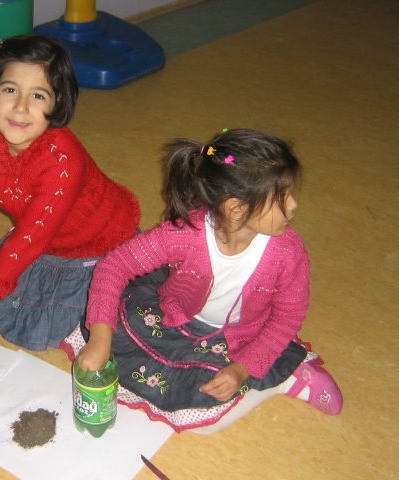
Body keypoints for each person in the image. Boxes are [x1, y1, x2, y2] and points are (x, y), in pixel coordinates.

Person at [70, 129, 342, 433]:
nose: (293, 205)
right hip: (178, 315)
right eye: (282, 197)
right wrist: (100, 340)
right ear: (236, 209)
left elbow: (286, 318)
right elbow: (114, 267)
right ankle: (271, 379)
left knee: (205, 417)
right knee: (106, 331)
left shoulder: (288, 253)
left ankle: (286, 381)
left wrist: (243, 369)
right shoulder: (183, 234)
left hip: (243, 334)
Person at [0, 34, 140, 352]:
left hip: (97, 243)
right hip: (42, 236)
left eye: (38, 96)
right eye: (10, 90)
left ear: (58, 103)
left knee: (61, 322)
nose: (20, 108)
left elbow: (29, 239)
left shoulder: (65, 163)